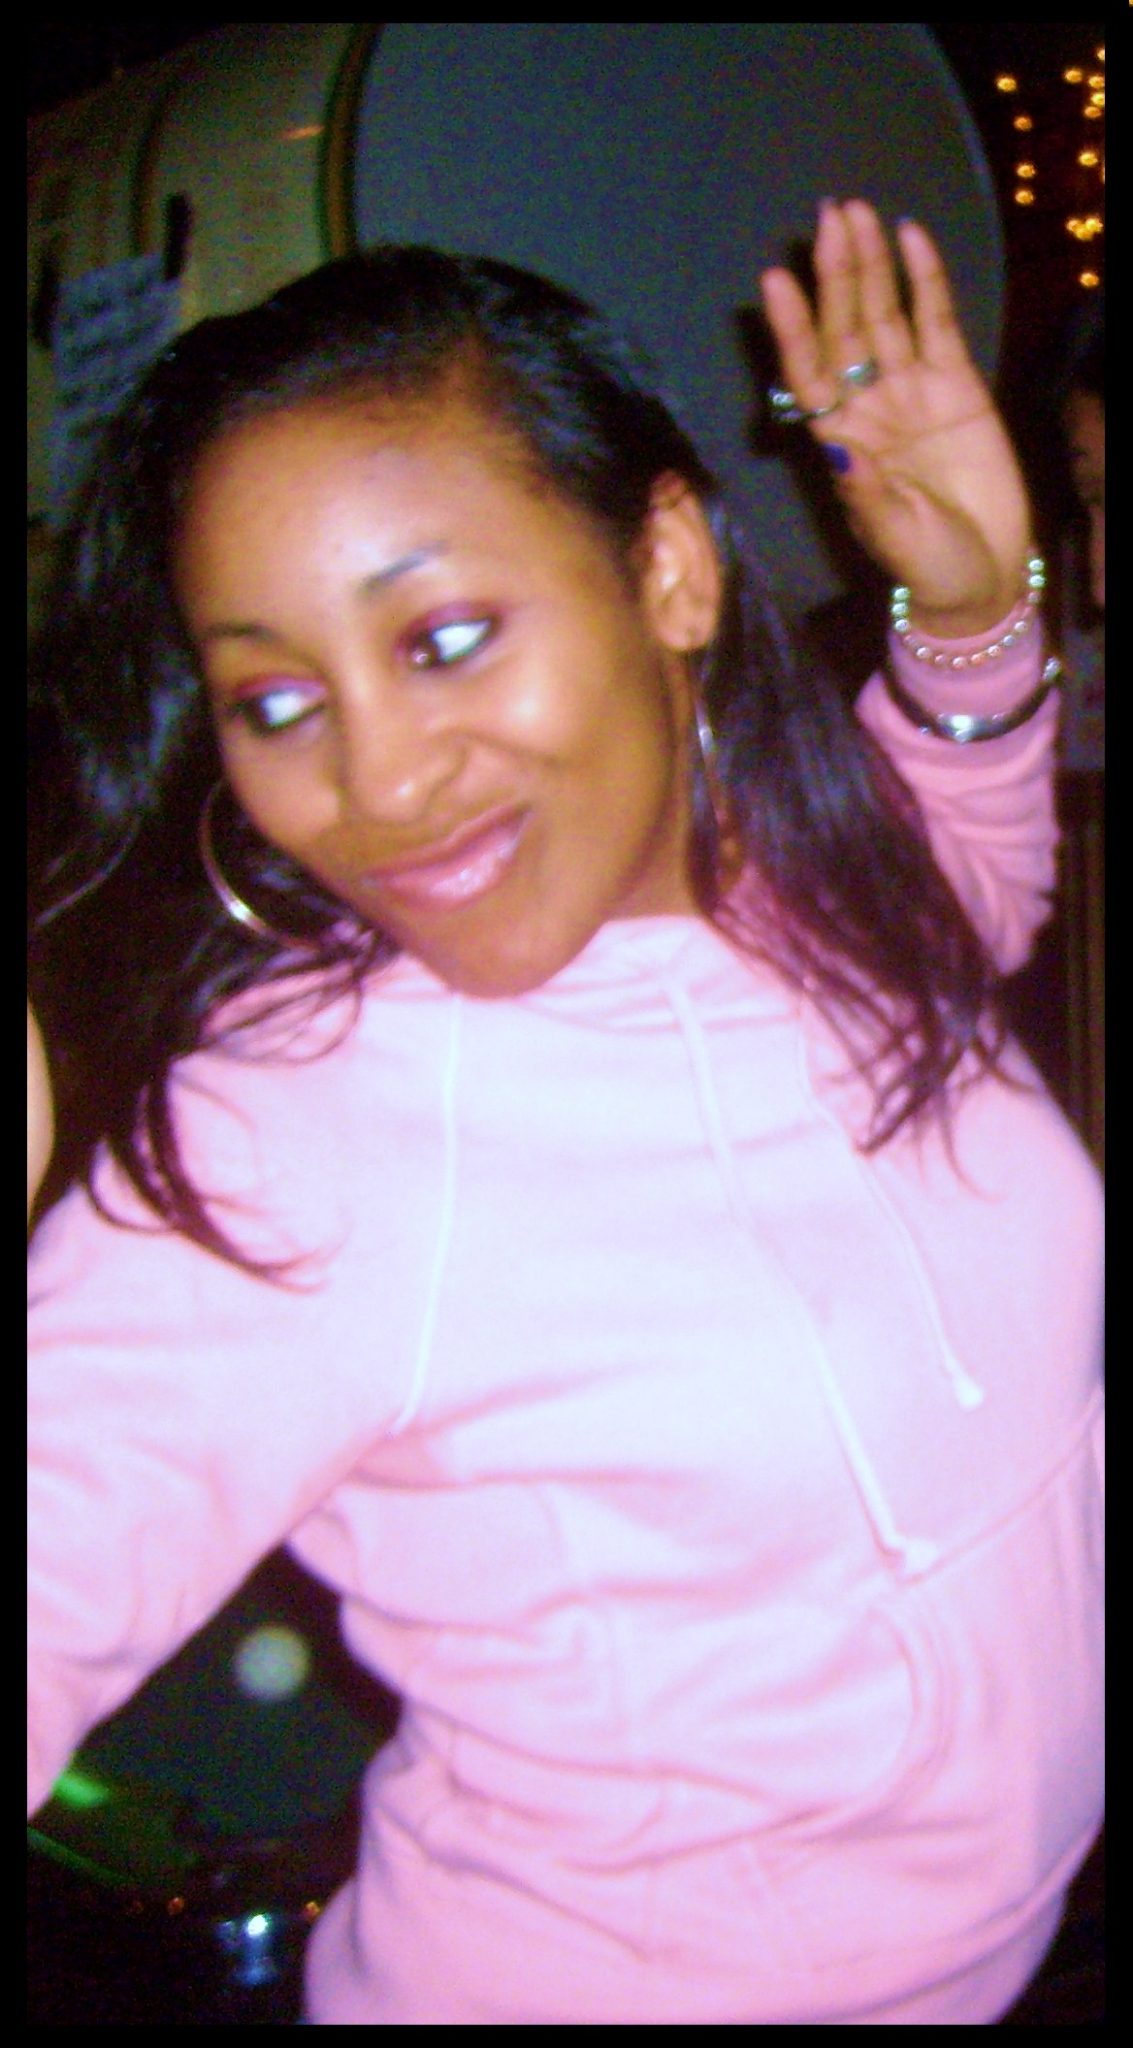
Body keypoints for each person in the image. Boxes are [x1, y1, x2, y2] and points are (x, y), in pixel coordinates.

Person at [28, 200, 1103, 2026]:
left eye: (443, 636)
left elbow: (958, 909)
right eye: (274, 699)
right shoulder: (296, 1142)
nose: (375, 781)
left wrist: (971, 613)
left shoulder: (798, 888)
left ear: (668, 570)